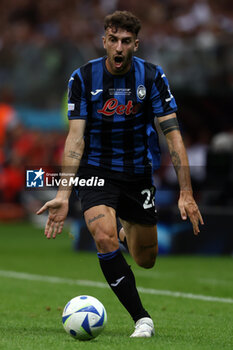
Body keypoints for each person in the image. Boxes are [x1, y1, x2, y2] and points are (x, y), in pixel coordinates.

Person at [37, 11, 204, 338]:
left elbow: (172, 135)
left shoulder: (153, 78)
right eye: (113, 39)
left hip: (137, 175)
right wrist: (63, 193)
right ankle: (142, 318)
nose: (119, 47)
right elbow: (75, 138)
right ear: (104, 41)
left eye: (126, 41)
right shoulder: (83, 78)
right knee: (103, 236)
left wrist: (186, 192)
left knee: (146, 259)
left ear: (135, 44)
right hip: (95, 171)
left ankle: (127, 233)